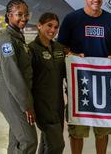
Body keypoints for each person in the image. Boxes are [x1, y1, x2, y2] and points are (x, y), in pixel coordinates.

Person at [57, 0, 111, 154]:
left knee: (103, 128)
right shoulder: (72, 19)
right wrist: (72, 55)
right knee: (77, 128)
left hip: (104, 83)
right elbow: (61, 46)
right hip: (79, 83)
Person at [0, 0, 37, 153]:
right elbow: (12, 75)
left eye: (26, 14)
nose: (24, 18)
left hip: (18, 94)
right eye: (19, 14)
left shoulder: (18, 37)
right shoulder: (7, 41)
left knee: (16, 139)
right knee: (29, 141)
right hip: (11, 95)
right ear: (9, 16)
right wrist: (27, 105)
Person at [29, 13, 66, 154]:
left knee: (47, 142)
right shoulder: (32, 49)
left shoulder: (59, 48)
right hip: (42, 104)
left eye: (56, 27)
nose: (53, 30)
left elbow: (65, 69)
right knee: (57, 145)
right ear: (39, 25)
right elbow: (27, 79)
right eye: (49, 25)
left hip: (57, 103)